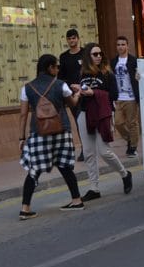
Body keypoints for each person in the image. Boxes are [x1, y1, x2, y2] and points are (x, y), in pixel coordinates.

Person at [18, 54, 84, 219]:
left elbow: (23, 115)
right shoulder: (61, 85)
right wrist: (77, 93)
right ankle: (77, 200)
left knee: (34, 169)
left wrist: (21, 138)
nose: (58, 70)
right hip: (61, 131)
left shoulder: (27, 88)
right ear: (50, 68)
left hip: (38, 133)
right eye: (56, 66)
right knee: (64, 166)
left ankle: (25, 208)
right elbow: (72, 104)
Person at [75, 42, 133, 201]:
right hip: (84, 113)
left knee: (104, 151)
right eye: (95, 54)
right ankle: (94, 188)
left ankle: (125, 174)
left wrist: (94, 93)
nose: (99, 56)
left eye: (100, 53)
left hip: (103, 114)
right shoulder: (83, 73)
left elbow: (114, 95)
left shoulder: (108, 74)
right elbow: (80, 92)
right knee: (88, 153)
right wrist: (78, 90)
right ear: (88, 57)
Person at [111, 36, 140, 157]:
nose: (120, 47)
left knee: (132, 123)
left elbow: (140, 75)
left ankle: (133, 147)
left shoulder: (134, 60)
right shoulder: (113, 61)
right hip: (119, 97)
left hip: (131, 97)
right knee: (118, 123)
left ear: (127, 46)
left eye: (123, 44)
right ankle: (130, 139)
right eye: (118, 45)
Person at [58, 28, 85, 160]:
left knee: (89, 121)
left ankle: (93, 146)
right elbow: (61, 77)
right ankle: (85, 149)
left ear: (78, 39)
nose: (71, 40)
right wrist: (69, 89)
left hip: (87, 92)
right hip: (72, 96)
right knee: (79, 121)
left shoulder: (85, 53)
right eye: (69, 38)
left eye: (73, 38)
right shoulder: (63, 57)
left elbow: (92, 71)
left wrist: (82, 86)